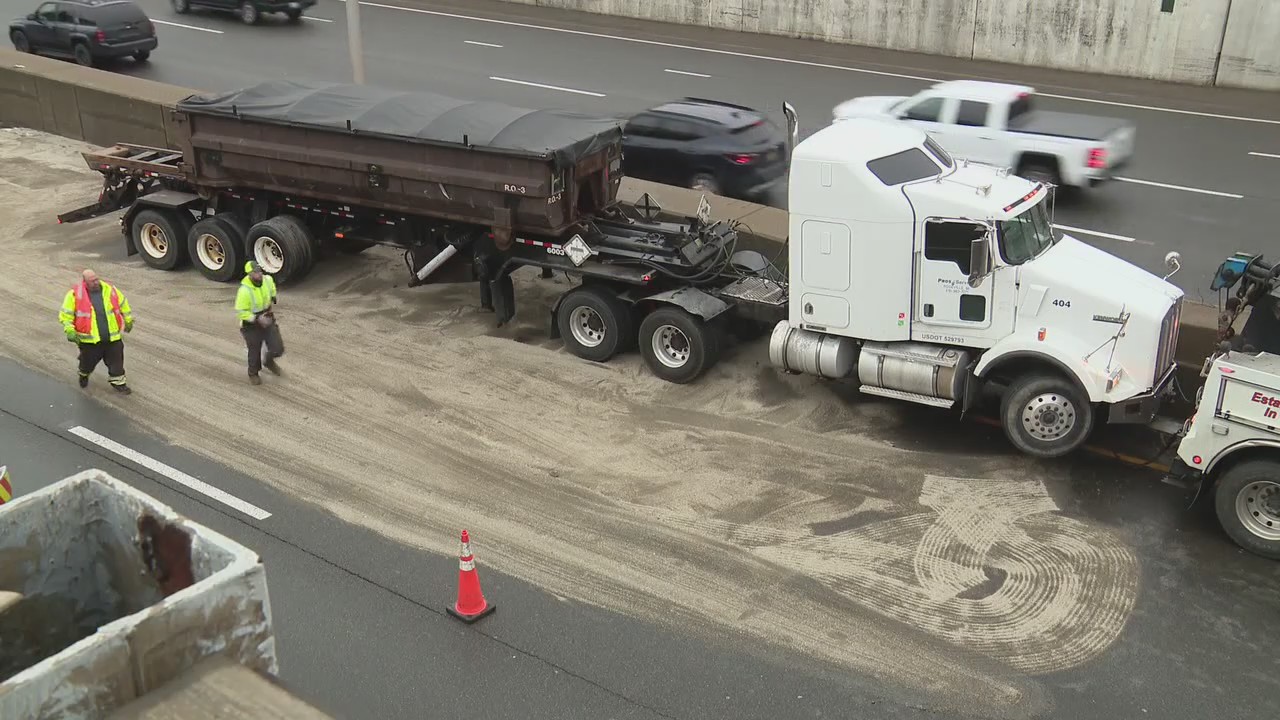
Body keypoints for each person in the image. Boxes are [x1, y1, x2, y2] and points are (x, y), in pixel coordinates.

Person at [59, 269, 134, 394]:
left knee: (117, 361)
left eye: (96, 279)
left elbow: (123, 303)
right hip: (90, 341)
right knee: (87, 363)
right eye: (92, 281)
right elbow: (66, 315)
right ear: (85, 282)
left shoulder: (110, 290)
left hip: (112, 338)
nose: (96, 282)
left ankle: (119, 383)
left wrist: (128, 319)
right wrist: (69, 330)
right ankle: (83, 374)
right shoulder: (74, 295)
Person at [235, 260, 285, 385]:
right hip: (251, 324)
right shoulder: (244, 291)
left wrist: (273, 296)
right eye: (256, 272)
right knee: (254, 350)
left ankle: (269, 361)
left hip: (267, 316)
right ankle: (253, 373)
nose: (259, 274)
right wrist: (256, 319)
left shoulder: (267, 280)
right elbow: (241, 312)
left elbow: (272, 286)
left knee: (278, 348)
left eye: (260, 270)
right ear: (249, 274)